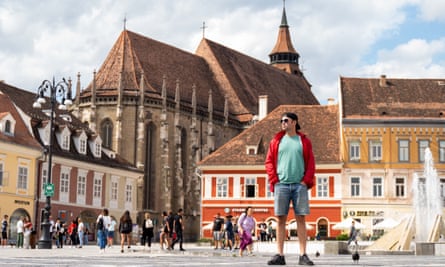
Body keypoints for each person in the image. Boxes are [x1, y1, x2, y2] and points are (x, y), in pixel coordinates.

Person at [265, 112, 315, 266]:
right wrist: (275, 179)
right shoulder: (276, 141)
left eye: (286, 120)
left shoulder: (303, 141)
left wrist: (305, 181)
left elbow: (311, 163)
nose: (283, 123)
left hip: (299, 185)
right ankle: (280, 255)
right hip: (281, 185)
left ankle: (303, 255)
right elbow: (269, 162)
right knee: (280, 219)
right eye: (281, 121)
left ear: (294, 122)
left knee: (301, 218)